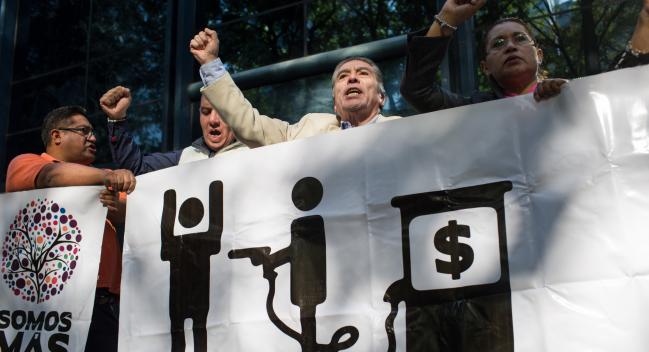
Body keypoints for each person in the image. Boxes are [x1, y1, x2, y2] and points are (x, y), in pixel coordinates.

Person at [5, 105, 136, 352]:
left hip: (104, 309)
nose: (93, 138)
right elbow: (51, 177)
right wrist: (107, 176)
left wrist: (122, 207)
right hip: (48, 314)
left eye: (93, 132)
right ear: (56, 136)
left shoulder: (101, 186)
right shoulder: (27, 164)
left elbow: (134, 217)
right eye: (84, 131)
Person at [401, 0, 649, 114]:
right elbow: (417, 90)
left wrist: (570, 96)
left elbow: (621, 92)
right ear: (485, 67)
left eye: (520, 39)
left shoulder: (572, 94)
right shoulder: (472, 112)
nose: (510, 46)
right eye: (498, 43)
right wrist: (448, 18)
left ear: (538, 54)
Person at [189, 28, 400, 148]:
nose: (352, 78)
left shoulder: (405, 131)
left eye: (363, 73)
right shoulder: (305, 130)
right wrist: (210, 63)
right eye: (343, 76)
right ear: (335, 104)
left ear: (381, 97)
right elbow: (249, 124)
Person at [99, 86, 246, 175]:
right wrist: (117, 119)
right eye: (206, 112)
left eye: (221, 112)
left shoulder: (256, 152)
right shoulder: (183, 157)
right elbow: (135, 168)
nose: (213, 120)